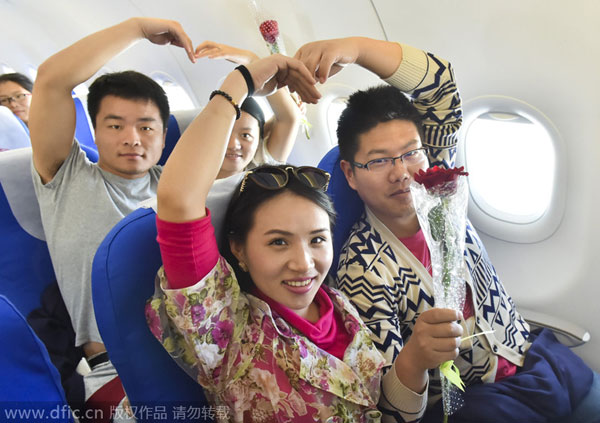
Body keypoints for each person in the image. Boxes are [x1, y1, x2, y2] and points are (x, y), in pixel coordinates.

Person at [294, 37, 600, 422]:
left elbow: (439, 86)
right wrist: (414, 359)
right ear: (350, 174)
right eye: (379, 161)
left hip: (531, 356)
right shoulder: (363, 270)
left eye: (410, 152)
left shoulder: (439, 187)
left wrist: (353, 48)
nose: (402, 172)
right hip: (474, 399)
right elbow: (388, 408)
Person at [145, 53, 414, 422]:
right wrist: (241, 80)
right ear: (238, 249)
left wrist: (417, 364)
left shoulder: (340, 306)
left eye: (317, 239)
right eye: (278, 242)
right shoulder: (228, 331)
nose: (304, 262)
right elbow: (178, 200)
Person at [29, 17, 195, 420]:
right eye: (115, 125)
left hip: (190, 354)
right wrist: (138, 29)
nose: (132, 138)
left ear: (163, 133)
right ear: (95, 131)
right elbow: (52, 79)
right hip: (113, 365)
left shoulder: (176, 189)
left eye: (145, 126)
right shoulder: (65, 177)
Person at [195, 41, 303, 179]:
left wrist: (252, 60)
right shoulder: (193, 176)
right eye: (225, 134)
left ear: (258, 140)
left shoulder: (261, 168)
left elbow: (290, 117)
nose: (233, 144)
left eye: (246, 135)